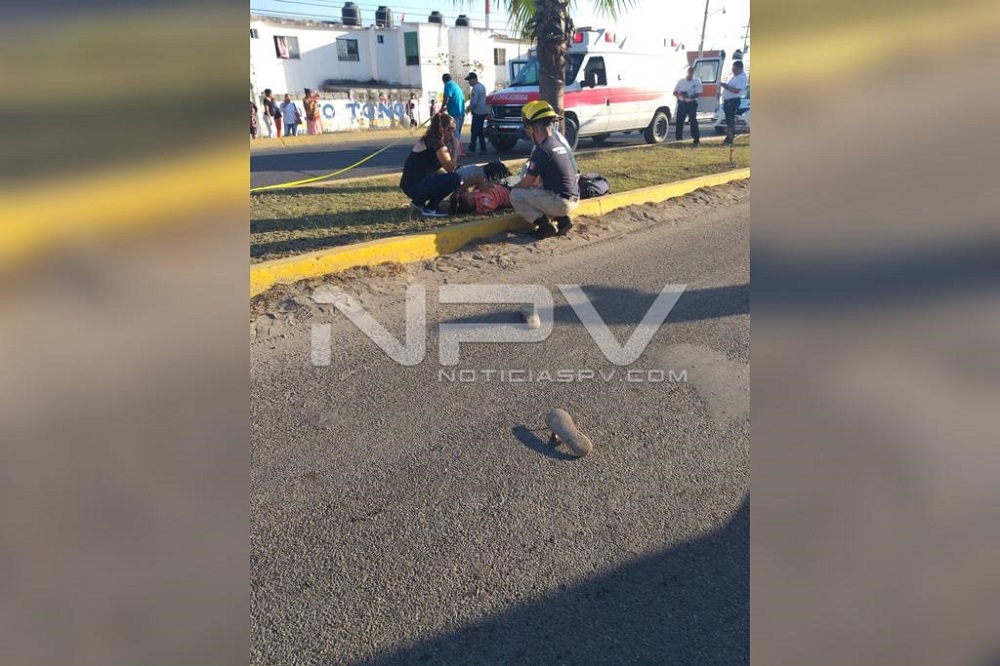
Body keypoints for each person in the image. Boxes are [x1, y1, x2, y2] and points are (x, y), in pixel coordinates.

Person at [509, 100, 580, 238]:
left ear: (534, 128)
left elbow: (528, 183)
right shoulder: (557, 144)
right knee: (538, 190)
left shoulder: (541, 150)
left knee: (516, 195)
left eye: (528, 130)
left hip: (561, 203)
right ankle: (563, 220)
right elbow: (537, 183)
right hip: (573, 199)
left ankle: (545, 226)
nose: (528, 134)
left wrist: (512, 188)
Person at [399, 112, 462, 217]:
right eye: (452, 130)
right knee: (455, 178)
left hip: (409, 185)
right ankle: (431, 208)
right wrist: (455, 148)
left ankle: (418, 202)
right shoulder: (437, 143)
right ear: (444, 130)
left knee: (444, 175)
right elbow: (450, 168)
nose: (453, 134)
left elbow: (433, 168)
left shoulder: (429, 138)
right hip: (415, 187)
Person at [719, 60, 747, 145]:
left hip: (733, 101)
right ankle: (728, 138)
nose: (733, 71)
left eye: (735, 69)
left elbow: (736, 90)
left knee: (730, 120)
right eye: (733, 69)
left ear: (740, 68)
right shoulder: (733, 76)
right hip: (727, 101)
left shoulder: (742, 77)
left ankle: (730, 139)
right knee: (728, 120)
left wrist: (726, 87)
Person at [673, 66, 702, 146]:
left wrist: (689, 96)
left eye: (692, 72)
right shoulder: (681, 81)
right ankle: (678, 139)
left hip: (691, 103)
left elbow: (698, 94)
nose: (690, 74)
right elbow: (674, 92)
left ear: (693, 73)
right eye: (689, 72)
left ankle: (696, 140)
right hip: (682, 103)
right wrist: (680, 95)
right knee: (679, 121)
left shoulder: (697, 81)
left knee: (693, 121)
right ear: (687, 72)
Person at [465, 72, 489, 154]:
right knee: (480, 131)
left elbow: (474, 102)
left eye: (470, 80)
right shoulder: (482, 86)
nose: (469, 82)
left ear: (474, 79)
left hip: (478, 112)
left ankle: (472, 148)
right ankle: (483, 148)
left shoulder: (475, 88)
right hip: (483, 111)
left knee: (474, 130)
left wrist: (469, 108)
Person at [441, 73, 466, 152]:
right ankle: (457, 151)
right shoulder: (455, 85)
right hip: (461, 112)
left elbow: (446, 98)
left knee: (454, 133)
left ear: (443, 80)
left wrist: (442, 108)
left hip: (454, 113)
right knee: (457, 133)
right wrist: (446, 107)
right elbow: (454, 99)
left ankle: (456, 152)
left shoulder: (447, 85)